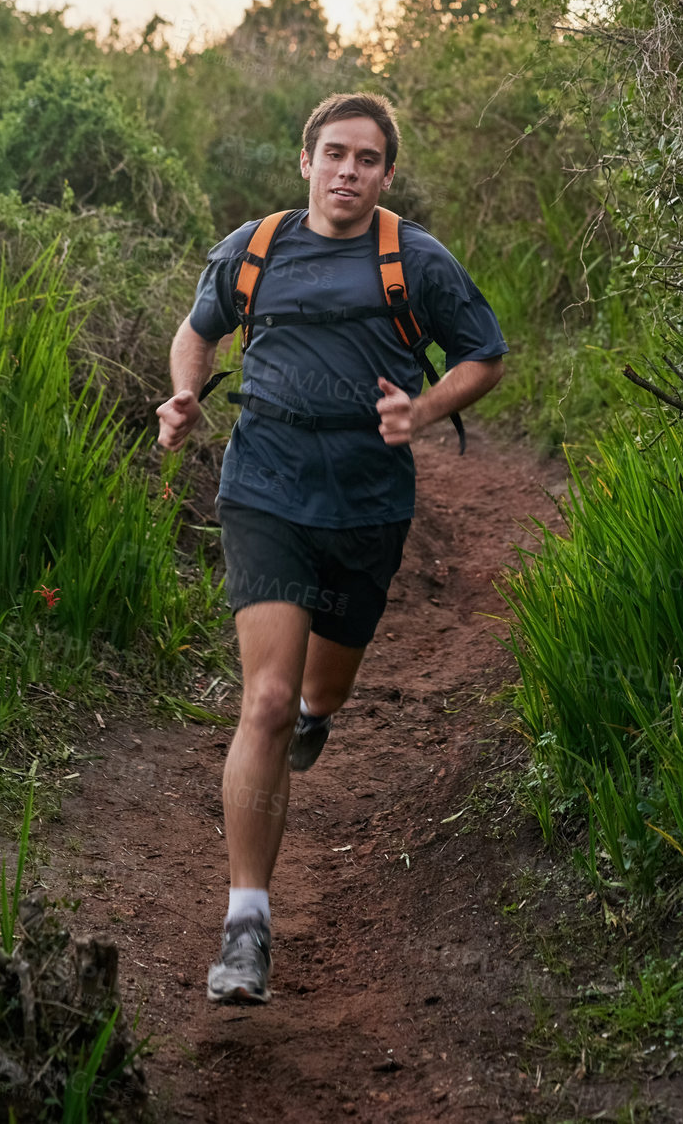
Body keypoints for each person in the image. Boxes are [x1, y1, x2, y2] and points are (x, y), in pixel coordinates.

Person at [155, 92, 507, 1004]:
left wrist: (423, 410)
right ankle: (245, 925)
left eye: (367, 158)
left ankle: (320, 708)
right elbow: (197, 332)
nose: (348, 170)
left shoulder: (414, 261)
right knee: (264, 698)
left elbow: (484, 355)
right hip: (265, 482)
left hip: (366, 499)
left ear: (386, 174)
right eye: (334, 153)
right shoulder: (254, 248)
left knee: (321, 688)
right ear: (304, 160)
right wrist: (184, 395)